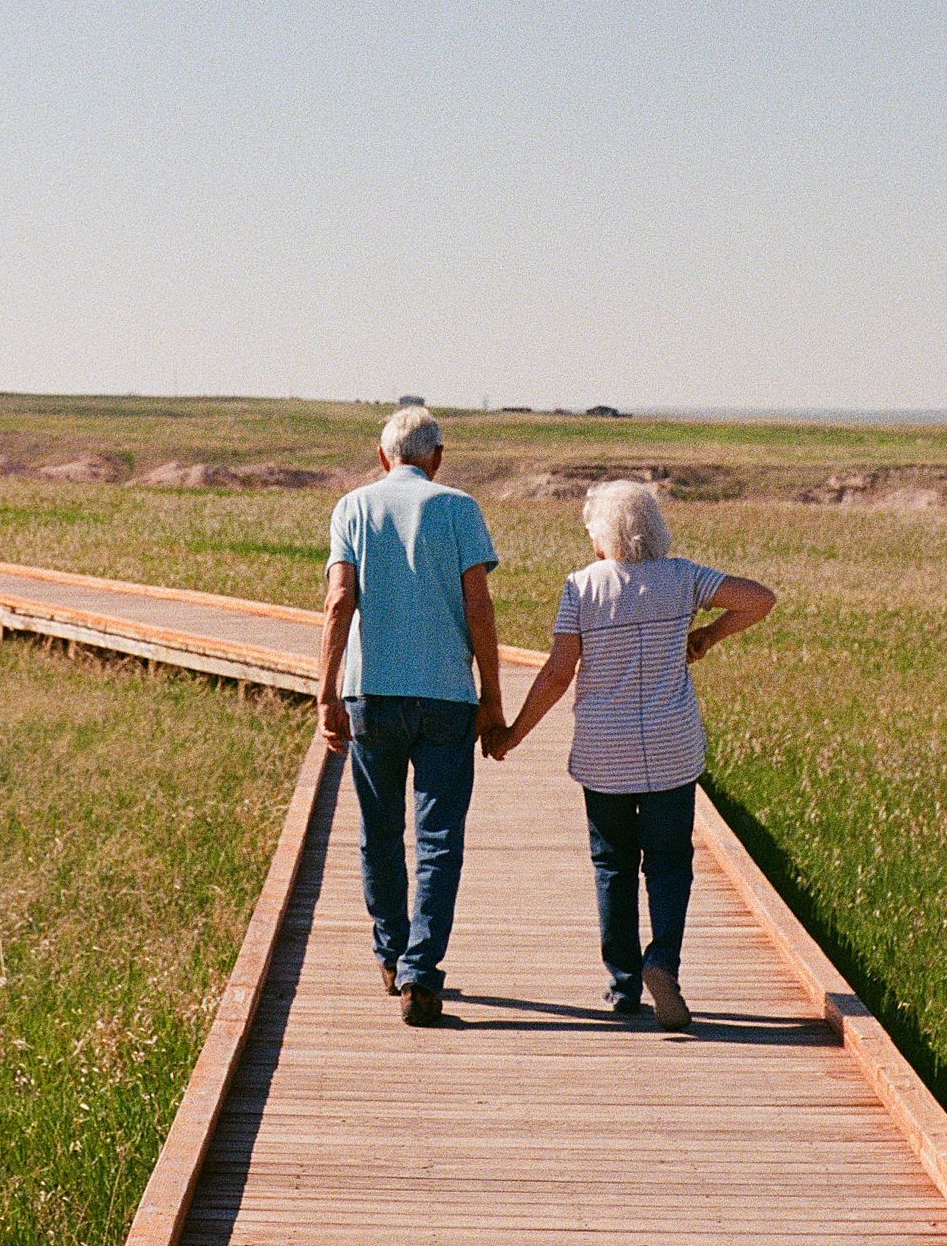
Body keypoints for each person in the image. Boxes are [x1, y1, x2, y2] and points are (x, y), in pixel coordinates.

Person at [489, 479, 773, 1031]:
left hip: (604, 753)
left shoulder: (581, 588)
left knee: (612, 865)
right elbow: (760, 600)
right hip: (671, 747)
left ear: (603, 536)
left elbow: (556, 672)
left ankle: (622, 986)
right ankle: (661, 962)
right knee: (669, 864)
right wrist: (707, 637)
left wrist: (514, 734)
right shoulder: (683, 578)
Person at [318, 405, 504, 1027]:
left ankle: (391, 954)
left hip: (371, 694)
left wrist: (326, 694)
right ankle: (422, 971)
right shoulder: (460, 508)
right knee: (438, 838)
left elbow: (341, 600)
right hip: (448, 696)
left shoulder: (353, 508)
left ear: (382, 458)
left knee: (378, 832)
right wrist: (493, 697)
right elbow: (479, 607)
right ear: (438, 458)